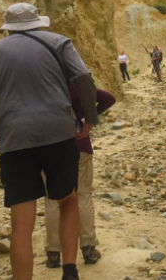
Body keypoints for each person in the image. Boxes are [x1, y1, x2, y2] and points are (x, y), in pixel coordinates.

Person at [0, 2, 99, 280]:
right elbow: (84, 78)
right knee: (67, 201)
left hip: (14, 141)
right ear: (38, 22)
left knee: (21, 223)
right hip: (58, 134)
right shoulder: (60, 42)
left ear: (8, 28)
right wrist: (89, 117)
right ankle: (69, 270)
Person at [44, 85, 116, 268]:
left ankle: (53, 253)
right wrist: (88, 118)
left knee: (52, 199)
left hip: (50, 146)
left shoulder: (45, 81)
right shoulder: (79, 84)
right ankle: (88, 248)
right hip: (79, 145)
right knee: (83, 195)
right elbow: (108, 98)